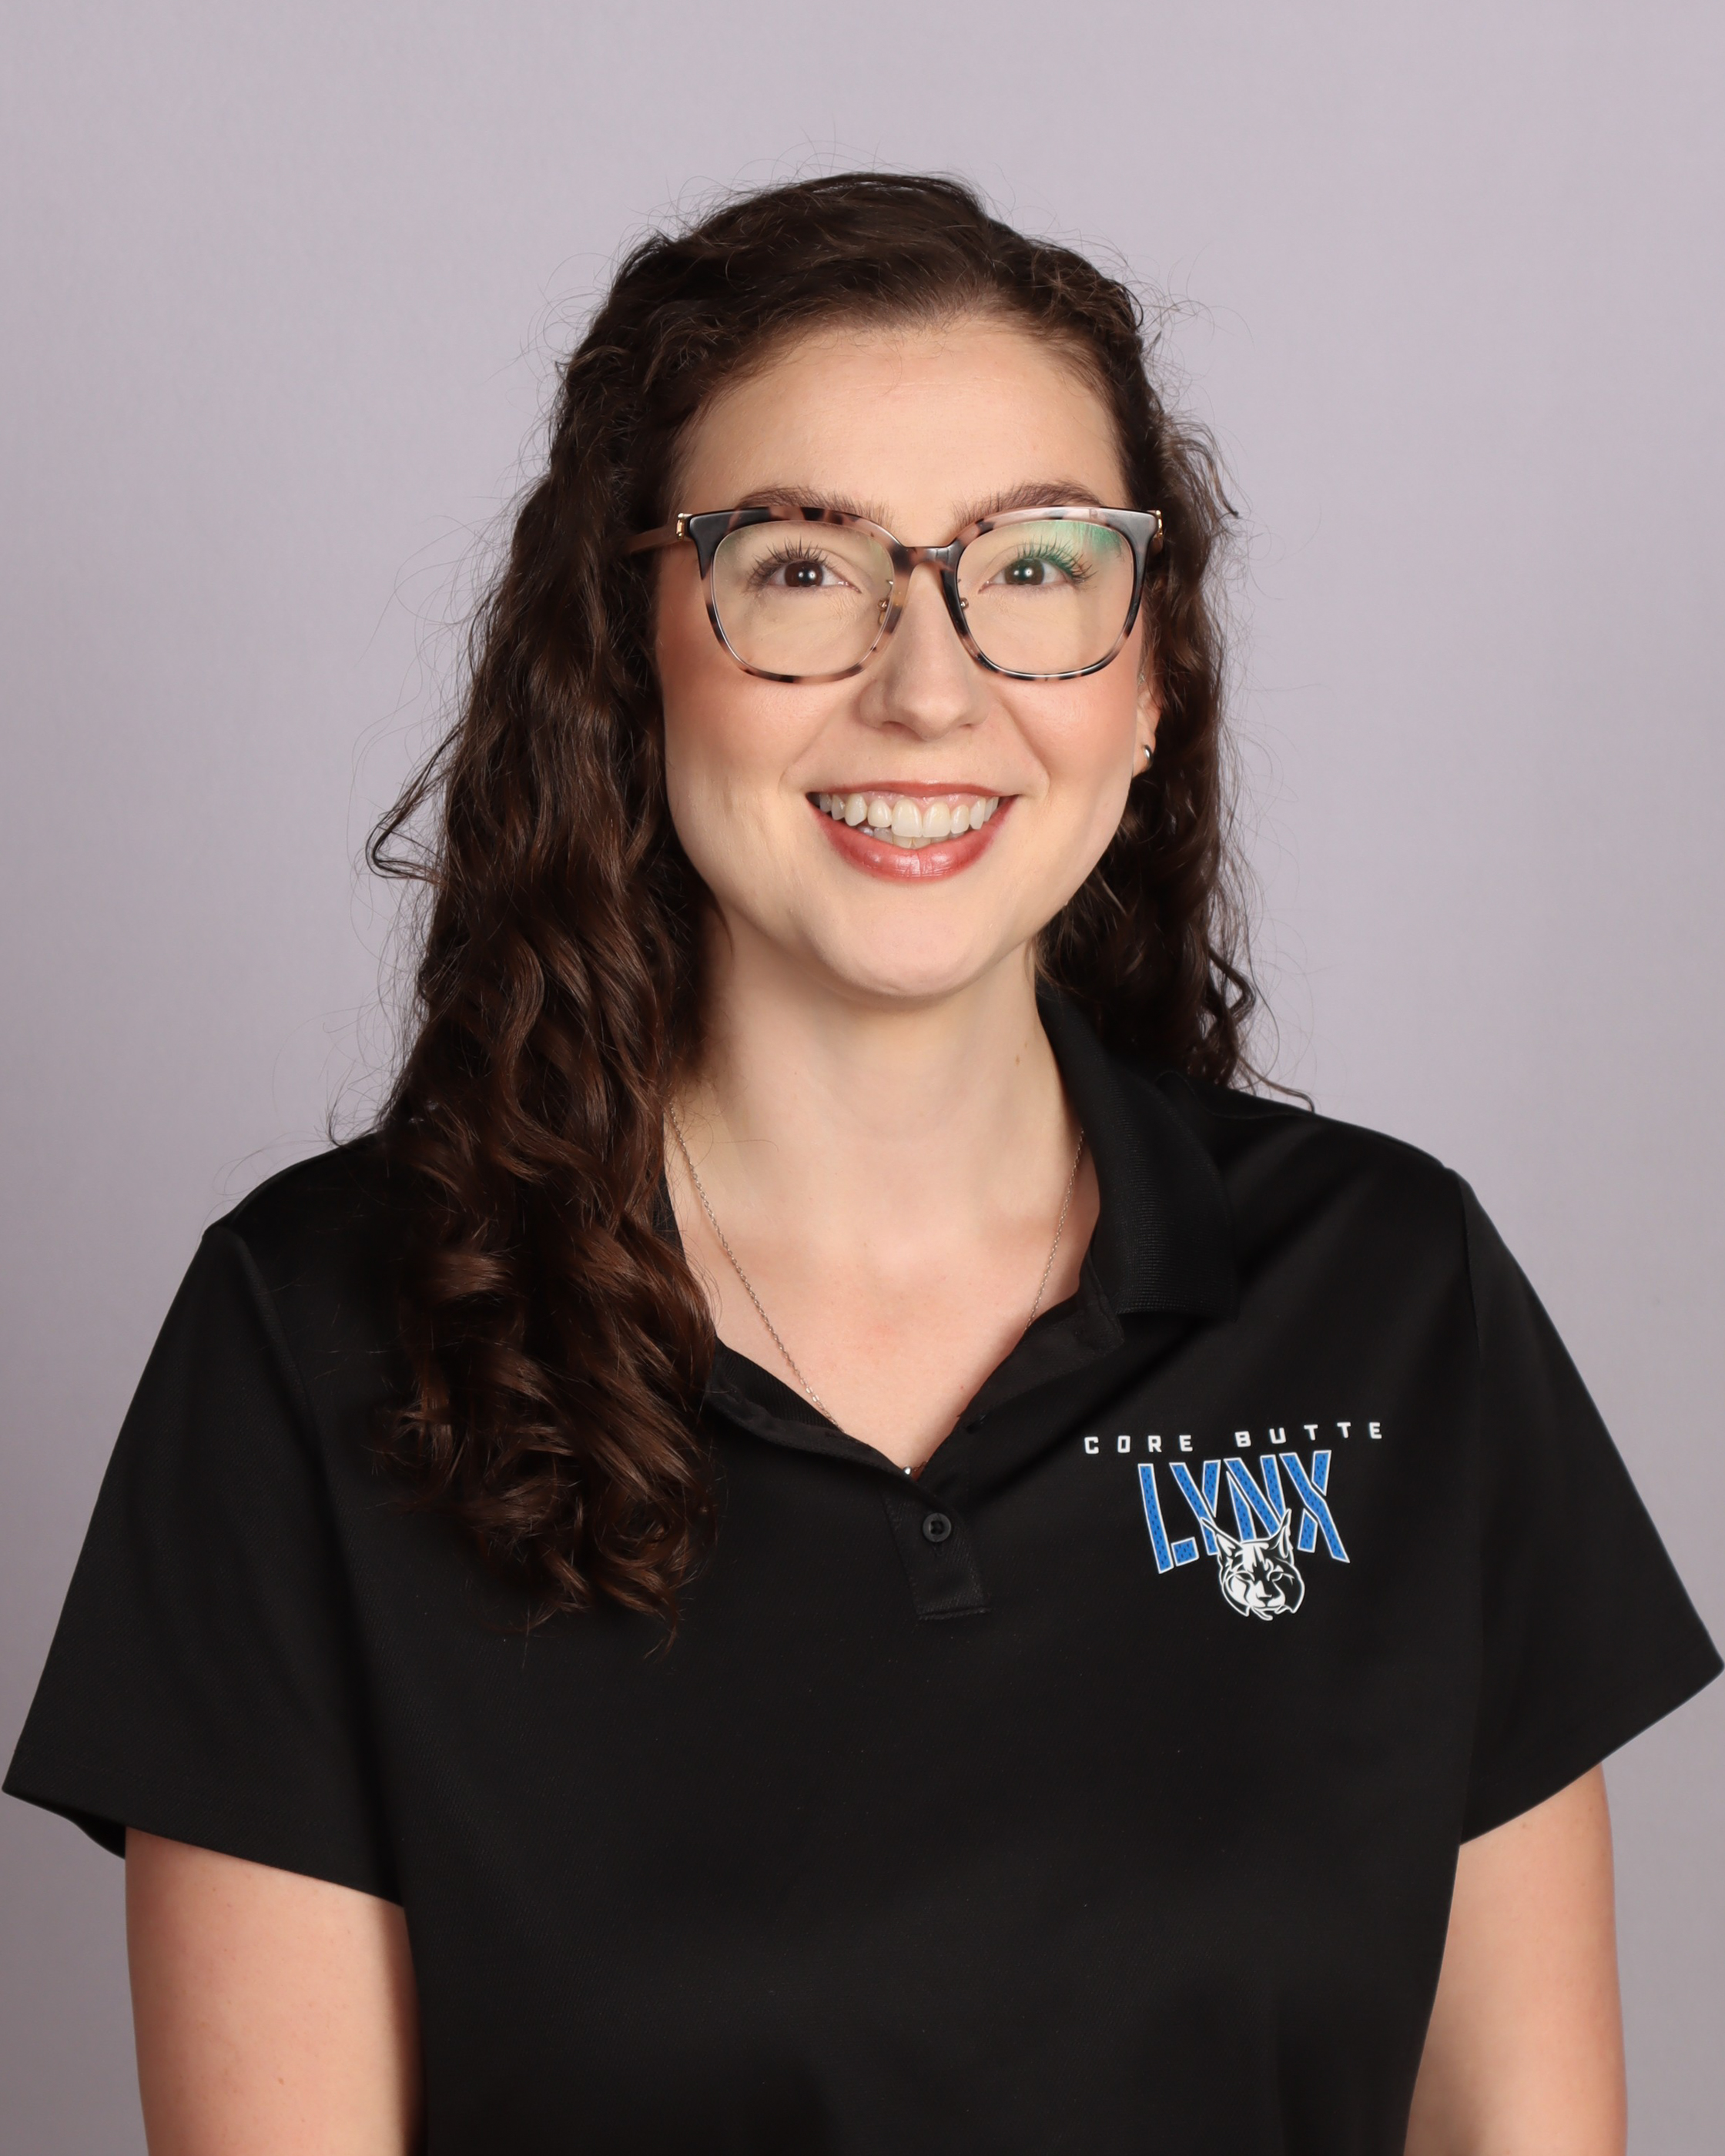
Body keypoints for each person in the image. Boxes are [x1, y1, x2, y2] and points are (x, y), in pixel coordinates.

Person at [5, 172, 1717, 2156]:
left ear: (1148, 678)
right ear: (628, 650)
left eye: (1039, 565)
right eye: (807, 567)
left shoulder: (1396, 1297)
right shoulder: (313, 1341)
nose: (930, 687)